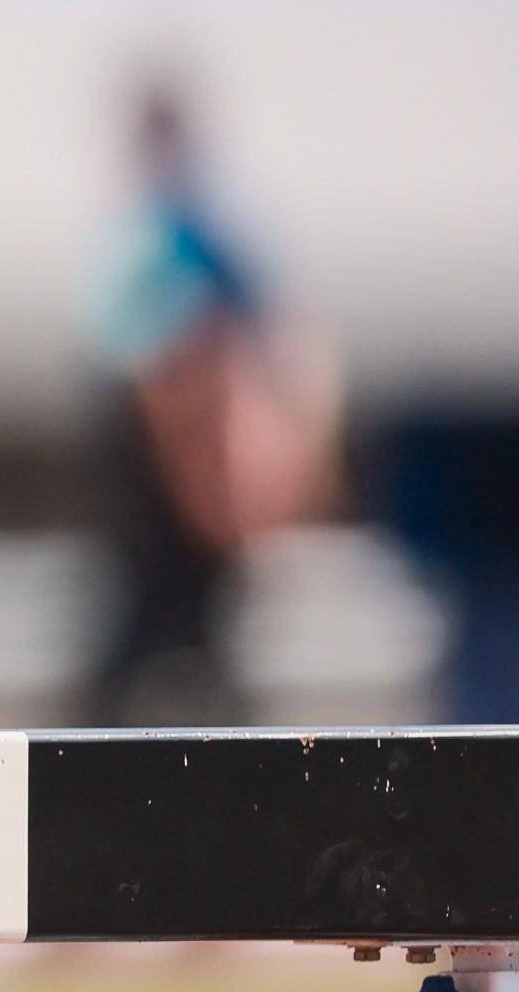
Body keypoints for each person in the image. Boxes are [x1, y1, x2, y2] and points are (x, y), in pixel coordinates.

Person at [80, 74, 340, 724]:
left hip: (194, 462)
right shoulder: (143, 237)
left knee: (205, 623)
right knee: (145, 619)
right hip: (157, 462)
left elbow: (267, 346)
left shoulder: (196, 235)